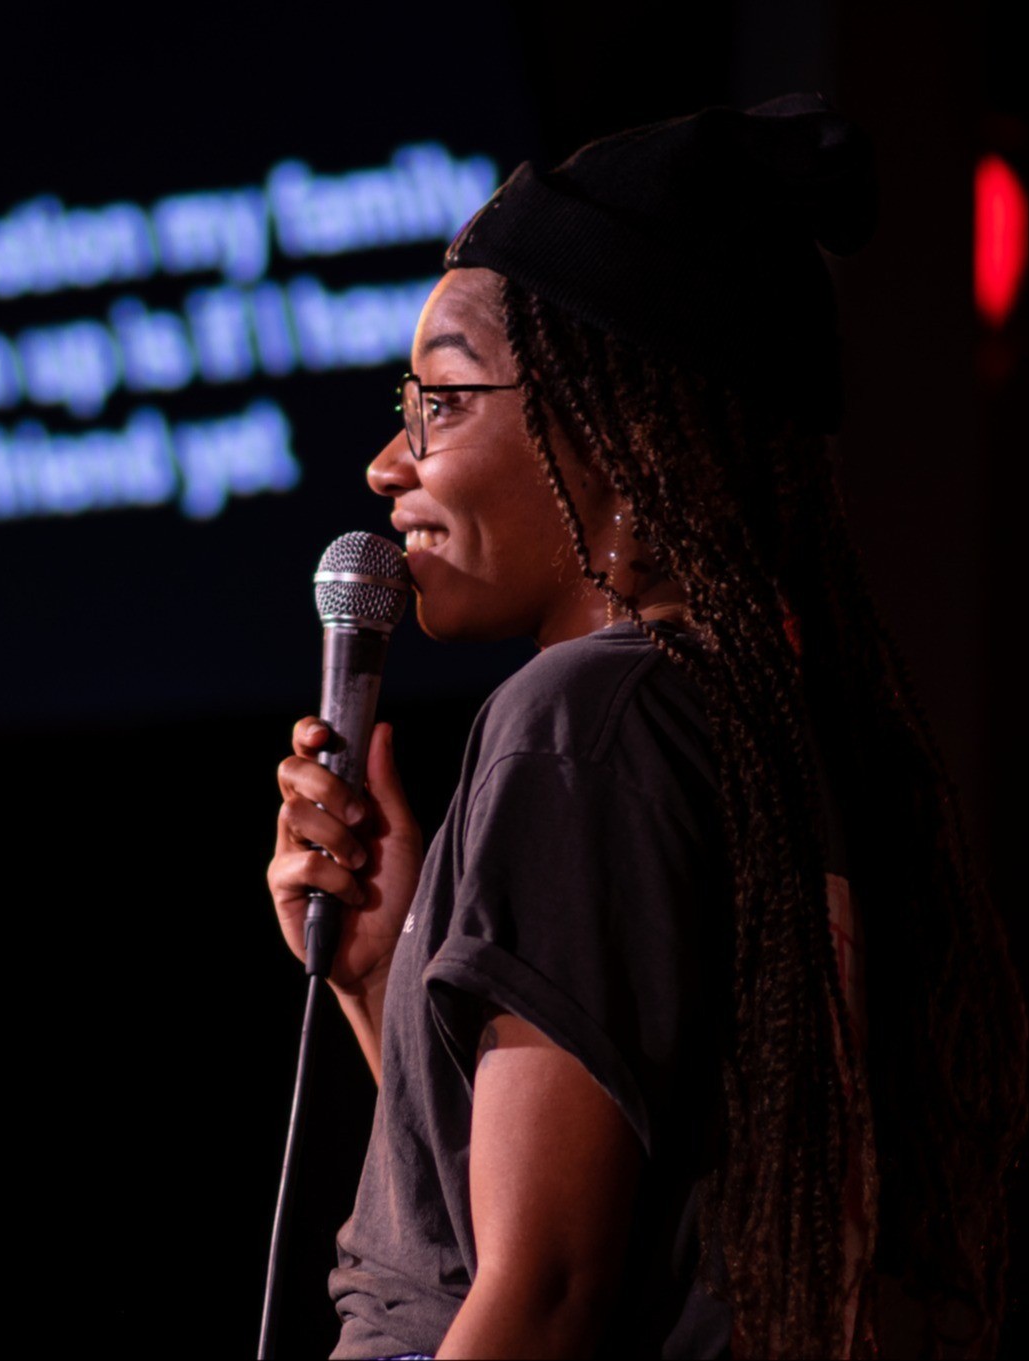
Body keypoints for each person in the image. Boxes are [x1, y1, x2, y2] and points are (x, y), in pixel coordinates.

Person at [267, 94, 1027, 1359]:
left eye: (442, 401)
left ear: (614, 433)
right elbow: (525, 1217)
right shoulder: (748, 726)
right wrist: (388, 970)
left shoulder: (578, 722)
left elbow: (547, 1292)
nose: (386, 464)